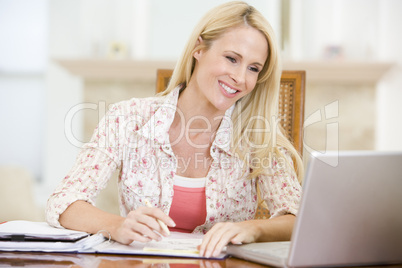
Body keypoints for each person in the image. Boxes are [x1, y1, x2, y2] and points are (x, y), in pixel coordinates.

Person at [46, 1, 303, 258]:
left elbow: (297, 219)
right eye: (231, 58)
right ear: (198, 48)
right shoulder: (128, 119)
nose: (240, 77)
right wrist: (117, 226)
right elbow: (63, 202)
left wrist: (253, 229)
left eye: (253, 68)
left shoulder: (258, 136)